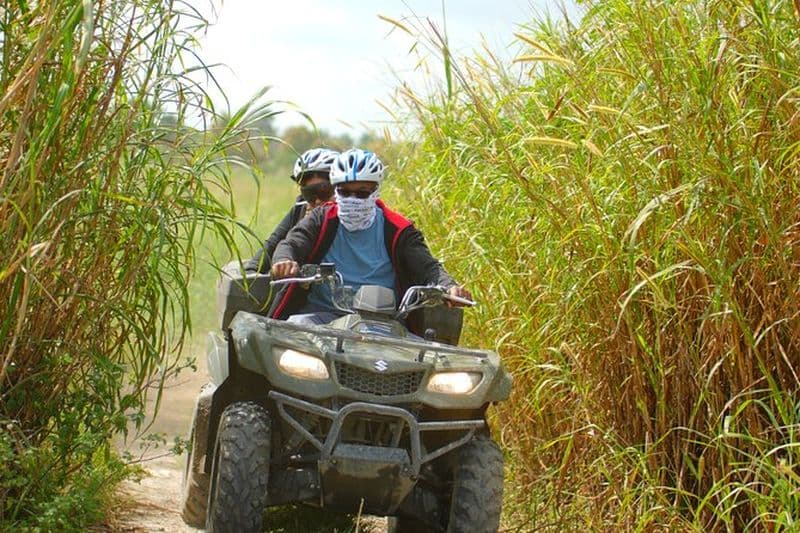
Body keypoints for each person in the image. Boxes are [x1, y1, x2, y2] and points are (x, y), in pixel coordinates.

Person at [268, 148, 471, 325]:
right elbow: (293, 243)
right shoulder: (321, 219)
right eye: (345, 192)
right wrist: (285, 261)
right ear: (336, 190)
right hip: (320, 318)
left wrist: (449, 287)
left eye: (362, 193)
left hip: (384, 324)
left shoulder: (398, 229)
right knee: (291, 335)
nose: (353, 199)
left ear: (375, 191)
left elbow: (429, 267)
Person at [245, 147, 339, 273]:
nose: (316, 201)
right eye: (309, 194)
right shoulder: (301, 209)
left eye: (324, 192)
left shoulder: (355, 215)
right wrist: (251, 272)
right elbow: (273, 244)